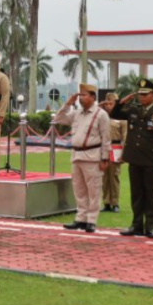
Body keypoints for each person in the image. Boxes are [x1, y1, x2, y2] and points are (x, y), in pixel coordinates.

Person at [111, 79, 153, 239]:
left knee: (150, 194)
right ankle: (136, 225)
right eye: (140, 95)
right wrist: (121, 102)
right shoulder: (133, 110)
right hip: (134, 157)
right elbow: (114, 114)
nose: (142, 98)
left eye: (145, 95)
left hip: (151, 159)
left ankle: (150, 226)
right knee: (136, 193)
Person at [55, 84, 111, 233]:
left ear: (93, 97)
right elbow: (58, 119)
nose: (80, 98)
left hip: (93, 156)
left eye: (84, 95)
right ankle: (81, 218)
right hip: (76, 155)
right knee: (79, 190)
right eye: (79, 95)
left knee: (93, 190)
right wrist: (68, 103)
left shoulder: (101, 114)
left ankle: (91, 220)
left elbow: (106, 138)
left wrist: (105, 158)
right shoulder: (76, 113)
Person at [101, 93, 128, 213]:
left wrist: (124, 153)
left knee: (114, 177)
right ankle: (106, 202)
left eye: (111, 103)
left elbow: (125, 136)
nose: (108, 106)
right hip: (103, 148)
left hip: (116, 147)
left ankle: (115, 203)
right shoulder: (102, 116)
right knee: (104, 178)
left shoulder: (121, 118)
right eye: (107, 103)